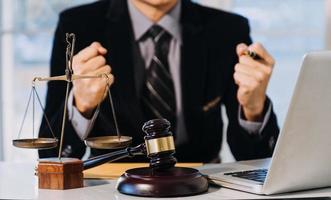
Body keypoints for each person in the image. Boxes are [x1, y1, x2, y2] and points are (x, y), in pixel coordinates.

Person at [39, 0, 279, 162]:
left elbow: (255, 160)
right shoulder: (77, 26)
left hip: (203, 184)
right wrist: (82, 104)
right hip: (110, 184)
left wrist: (254, 108)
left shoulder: (227, 29)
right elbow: (50, 154)